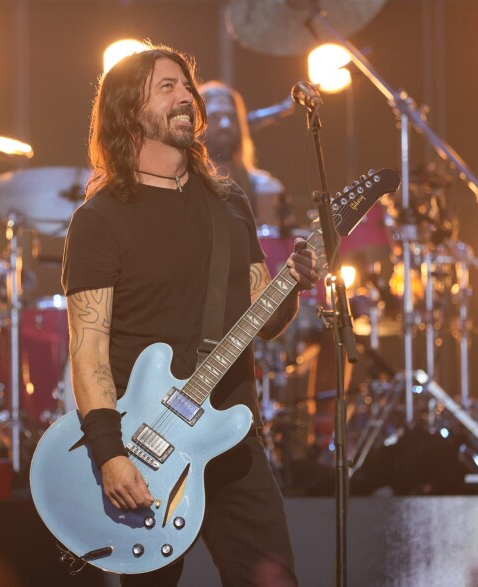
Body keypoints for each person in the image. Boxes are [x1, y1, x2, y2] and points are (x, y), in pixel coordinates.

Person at [60, 44, 318, 586]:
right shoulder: (99, 220)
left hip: (231, 442)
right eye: (166, 87)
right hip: (144, 453)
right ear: (130, 111)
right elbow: (88, 351)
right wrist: (109, 456)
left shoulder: (229, 205)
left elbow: (261, 320)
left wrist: (292, 286)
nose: (185, 97)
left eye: (186, 86)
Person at [200, 81, 292, 230]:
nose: (225, 124)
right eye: (215, 117)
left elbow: (271, 249)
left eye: (232, 117)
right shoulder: (183, 185)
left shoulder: (263, 187)